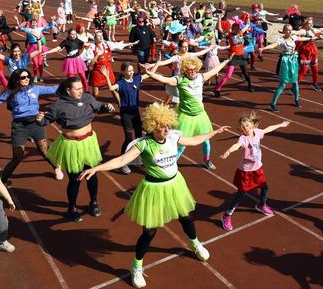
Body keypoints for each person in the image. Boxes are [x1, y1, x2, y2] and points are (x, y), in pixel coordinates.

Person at [78, 104, 229, 289]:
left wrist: (215, 132)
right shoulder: (144, 144)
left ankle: (195, 244)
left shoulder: (173, 136)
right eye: (162, 126)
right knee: (149, 232)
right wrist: (97, 168)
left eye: (168, 125)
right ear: (152, 125)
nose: (166, 129)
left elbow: (196, 140)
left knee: (186, 217)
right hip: (153, 189)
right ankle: (137, 266)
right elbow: (121, 160)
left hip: (175, 185)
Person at [37, 77, 115, 222]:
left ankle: (94, 202)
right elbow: (45, 121)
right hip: (72, 145)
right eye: (77, 89)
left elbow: (98, 106)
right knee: (75, 179)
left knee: (92, 174)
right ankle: (72, 208)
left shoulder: (87, 98)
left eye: (81, 88)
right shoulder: (58, 106)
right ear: (68, 90)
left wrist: (106, 106)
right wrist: (40, 119)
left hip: (89, 142)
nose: (81, 91)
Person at [144, 55, 233, 170]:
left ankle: (206, 160)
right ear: (185, 69)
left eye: (195, 69)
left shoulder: (200, 77)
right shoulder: (179, 79)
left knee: (206, 141)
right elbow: (164, 79)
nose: (193, 72)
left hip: (200, 116)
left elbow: (214, 70)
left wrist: (226, 61)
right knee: (182, 145)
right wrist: (149, 72)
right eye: (190, 69)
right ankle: (171, 165)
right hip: (185, 116)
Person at [220, 112, 289, 231]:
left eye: (246, 125)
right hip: (246, 172)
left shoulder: (257, 133)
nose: (244, 128)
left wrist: (280, 125)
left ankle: (261, 205)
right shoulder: (243, 139)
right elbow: (236, 145)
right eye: (242, 127)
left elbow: (268, 129)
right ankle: (226, 215)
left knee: (265, 188)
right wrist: (228, 151)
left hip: (257, 168)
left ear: (252, 125)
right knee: (240, 195)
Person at [261, 24, 315, 112]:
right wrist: (263, 48)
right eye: (288, 30)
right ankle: (273, 104)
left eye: (291, 30)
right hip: (286, 62)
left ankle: (296, 99)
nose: (290, 32)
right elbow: (273, 45)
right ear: (284, 31)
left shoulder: (293, 37)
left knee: (295, 82)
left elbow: (301, 38)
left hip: (293, 61)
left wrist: (310, 38)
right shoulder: (281, 40)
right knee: (282, 84)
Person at [213, 19, 253, 96]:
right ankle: (217, 89)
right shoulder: (230, 35)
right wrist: (219, 18)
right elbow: (220, 29)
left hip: (241, 56)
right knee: (228, 75)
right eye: (235, 29)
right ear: (233, 29)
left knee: (245, 73)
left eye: (238, 28)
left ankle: (250, 85)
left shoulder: (241, 33)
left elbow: (247, 25)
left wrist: (248, 18)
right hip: (233, 57)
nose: (237, 30)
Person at [295, 17, 323, 91]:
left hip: (313, 51)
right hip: (305, 52)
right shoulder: (302, 31)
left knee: (315, 70)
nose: (311, 25)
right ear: (305, 24)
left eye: (312, 23)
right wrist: (296, 50)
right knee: (303, 71)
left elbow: (316, 33)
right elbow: (298, 39)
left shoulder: (312, 30)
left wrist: (321, 36)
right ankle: (294, 87)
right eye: (309, 24)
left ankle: (315, 84)